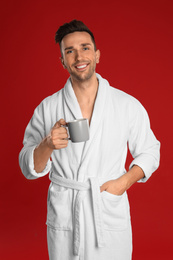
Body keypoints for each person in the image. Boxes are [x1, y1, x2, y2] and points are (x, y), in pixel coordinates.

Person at [19, 20, 160, 260]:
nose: (78, 56)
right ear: (63, 61)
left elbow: (150, 152)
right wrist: (47, 145)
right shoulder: (48, 107)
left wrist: (122, 183)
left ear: (96, 55)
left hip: (105, 207)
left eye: (85, 48)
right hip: (67, 210)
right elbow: (28, 167)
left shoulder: (126, 104)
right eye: (69, 51)